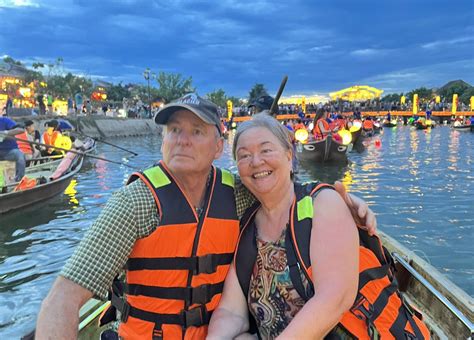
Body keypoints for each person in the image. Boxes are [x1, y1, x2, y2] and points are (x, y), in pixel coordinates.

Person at [36, 94, 376, 340]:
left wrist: (344, 201)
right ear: (163, 141)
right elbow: (64, 298)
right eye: (173, 130)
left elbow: (283, 189)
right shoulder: (136, 202)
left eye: (197, 131)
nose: (182, 140)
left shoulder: (237, 193)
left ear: (217, 147)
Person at [208, 114, 429, 339]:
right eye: (244, 155)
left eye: (266, 150)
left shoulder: (323, 203)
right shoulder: (248, 225)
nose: (255, 162)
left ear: (288, 155)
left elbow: (333, 299)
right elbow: (230, 311)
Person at [0, 115, 26, 181]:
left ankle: (19, 179)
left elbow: (20, 129)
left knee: (20, 156)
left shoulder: (5, 120)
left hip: (9, 151)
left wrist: (6, 133)